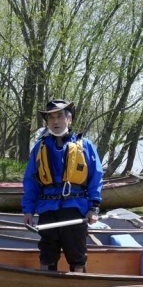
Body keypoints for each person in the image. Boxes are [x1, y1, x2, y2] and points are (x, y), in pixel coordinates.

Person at [22, 99, 104, 273]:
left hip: (75, 209)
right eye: (51, 118)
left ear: (69, 119)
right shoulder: (40, 147)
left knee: (77, 257)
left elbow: (96, 178)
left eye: (60, 116)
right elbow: (30, 181)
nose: (55, 121)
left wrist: (94, 207)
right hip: (47, 210)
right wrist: (28, 210)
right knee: (47, 256)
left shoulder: (86, 146)